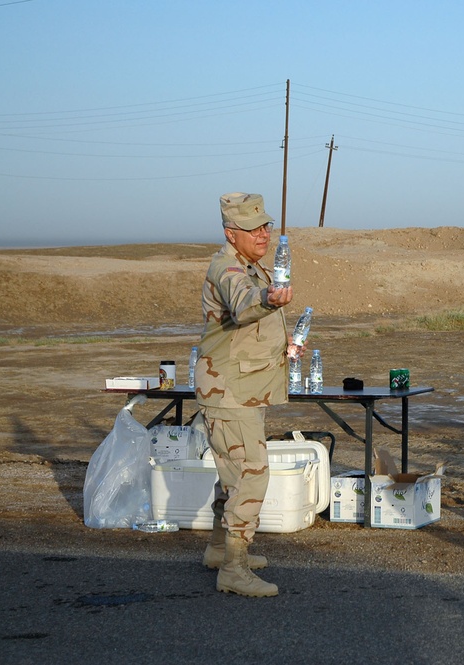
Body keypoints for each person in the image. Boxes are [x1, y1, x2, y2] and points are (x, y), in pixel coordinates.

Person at [195, 192, 296, 598]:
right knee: (252, 475)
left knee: (232, 476)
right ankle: (234, 569)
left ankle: (220, 551)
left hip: (241, 388)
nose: (263, 233)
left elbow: (249, 327)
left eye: (266, 226)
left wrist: (284, 347)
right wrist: (267, 299)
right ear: (230, 233)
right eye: (253, 228)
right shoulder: (229, 269)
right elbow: (244, 304)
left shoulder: (253, 266)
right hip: (229, 392)